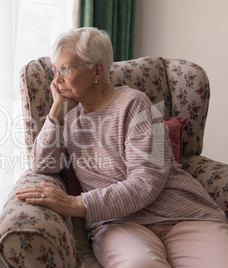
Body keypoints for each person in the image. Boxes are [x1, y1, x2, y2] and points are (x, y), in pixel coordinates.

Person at [15, 27, 228, 268]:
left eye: (65, 69)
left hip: (182, 215)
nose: (56, 81)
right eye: (56, 70)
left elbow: (147, 183)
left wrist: (76, 204)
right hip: (118, 222)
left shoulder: (139, 103)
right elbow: (41, 164)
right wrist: (56, 112)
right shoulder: (67, 114)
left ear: (97, 69)